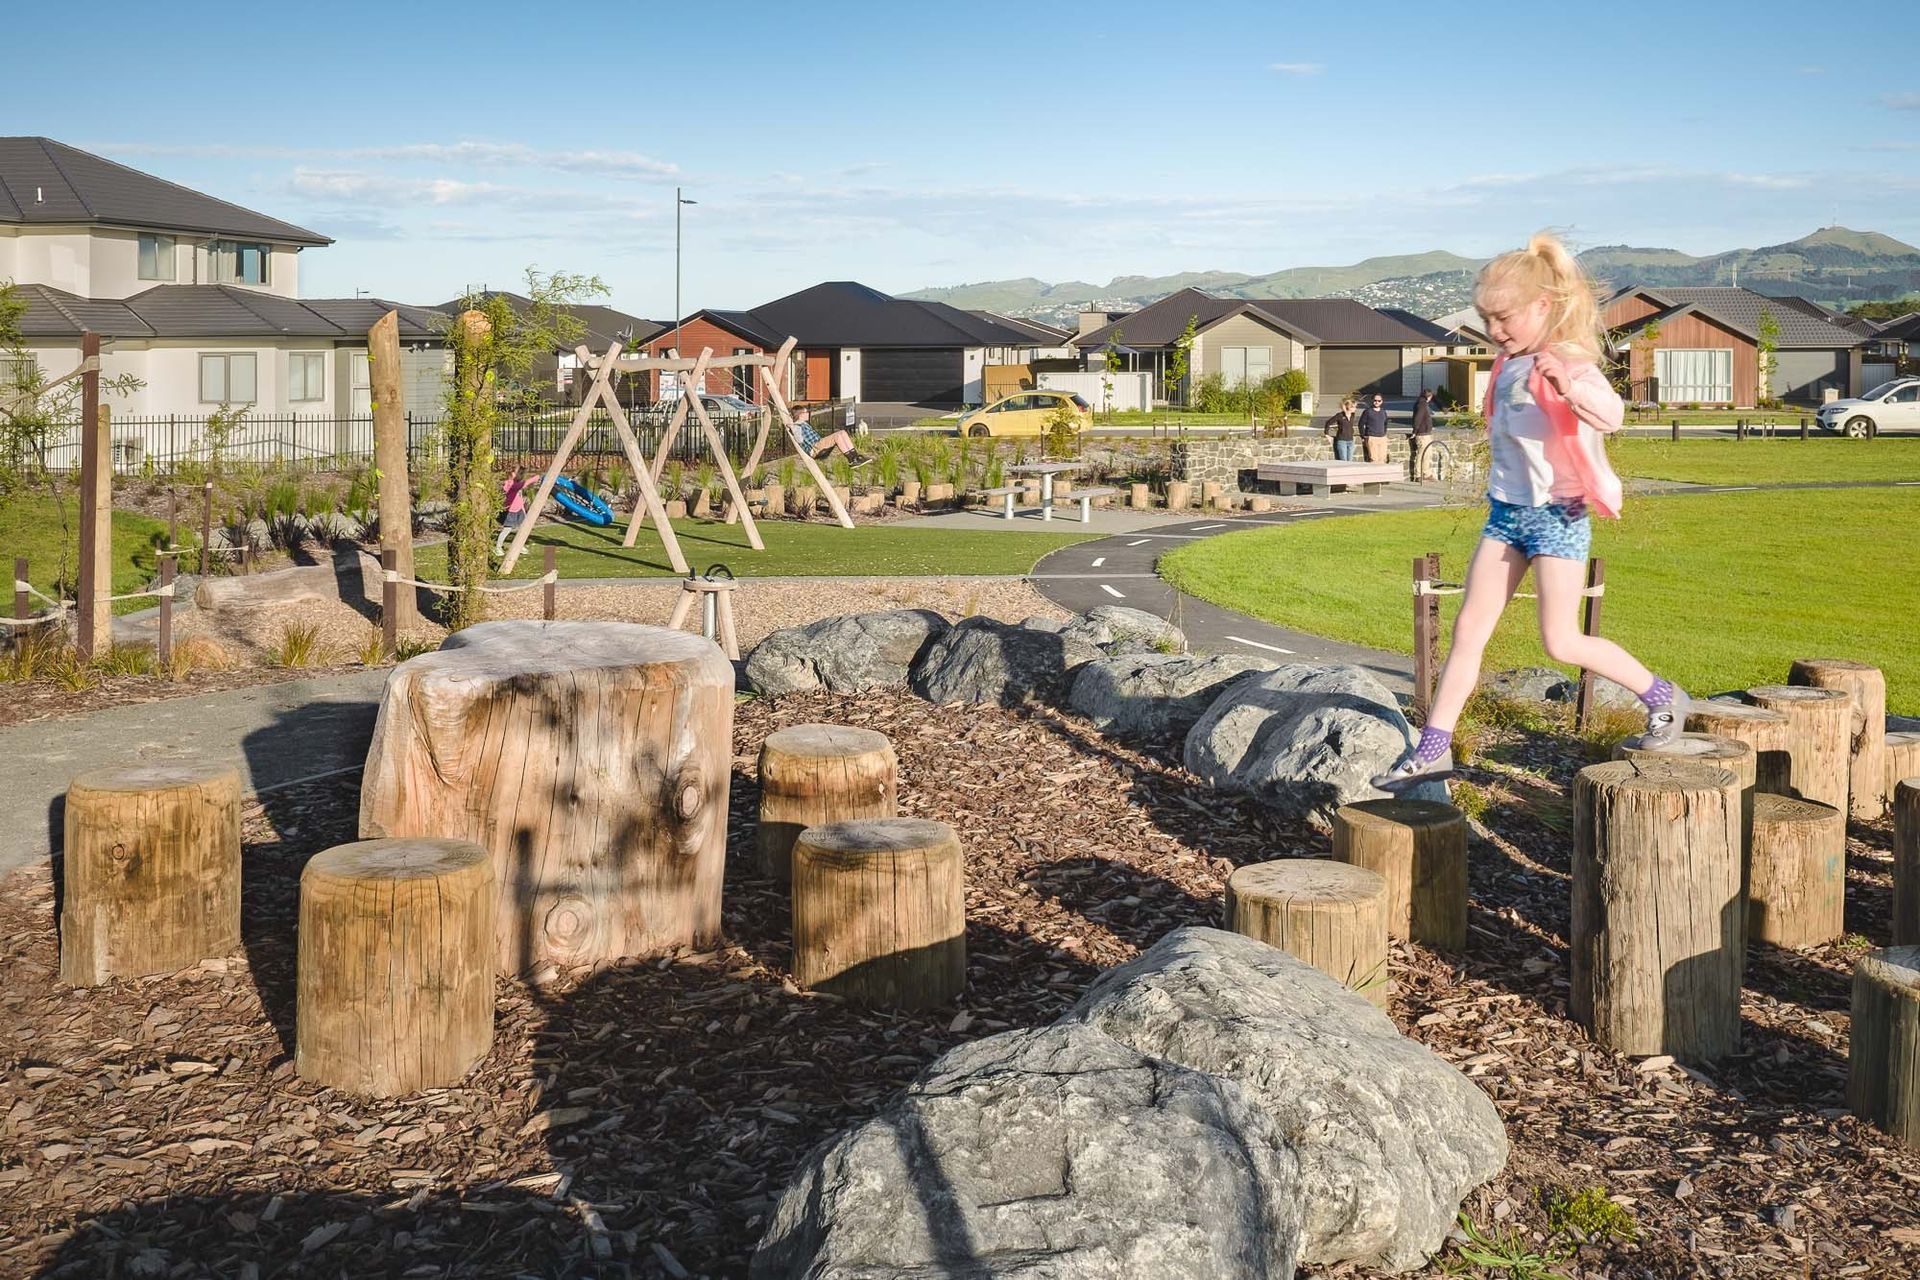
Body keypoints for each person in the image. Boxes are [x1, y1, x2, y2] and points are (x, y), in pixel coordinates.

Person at [1374, 232, 1689, 790]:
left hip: (1558, 515)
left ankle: (1663, 696)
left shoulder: (1566, 361)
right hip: (1506, 515)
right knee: (1468, 630)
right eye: (1486, 319)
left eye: (1505, 317)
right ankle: (1433, 747)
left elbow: (1612, 416)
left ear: (1544, 305)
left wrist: (1569, 388)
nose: (1495, 330)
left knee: (1561, 641)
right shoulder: (1506, 364)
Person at [792, 407, 873, 467]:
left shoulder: (804, 423)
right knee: (837, 436)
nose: (808, 414)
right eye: (806, 412)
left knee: (842, 432)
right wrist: (793, 428)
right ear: (801, 414)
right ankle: (851, 459)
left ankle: (856, 457)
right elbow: (799, 440)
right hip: (814, 448)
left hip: (819, 445)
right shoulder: (796, 426)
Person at [495, 465, 540, 555]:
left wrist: (523, 510)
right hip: (511, 511)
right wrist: (535, 478)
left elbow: (519, 497)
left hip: (519, 510)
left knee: (523, 528)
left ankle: (519, 545)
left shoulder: (517, 484)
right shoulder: (511, 484)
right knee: (507, 529)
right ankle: (498, 547)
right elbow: (523, 484)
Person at [1409, 388, 1436, 481]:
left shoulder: (1422, 403)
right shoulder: (1422, 404)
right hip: (1422, 434)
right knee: (1422, 454)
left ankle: (1426, 473)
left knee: (1427, 454)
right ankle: (1419, 475)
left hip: (1425, 433)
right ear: (1429, 396)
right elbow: (1418, 418)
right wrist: (1415, 431)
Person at [1324, 397, 1358, 461]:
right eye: (1353, 407)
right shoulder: (1340, 415)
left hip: (1350, 440)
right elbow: (1328, 422)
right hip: (1342, 441)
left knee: (1350, 460)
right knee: (1343, 460)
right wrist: (1327, 434)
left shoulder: (1353, 415)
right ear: (1348, 407)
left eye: (1355, 407)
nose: (1355, 408)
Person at [1358, 394, 1390, 463]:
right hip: (1372, 437)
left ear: (1381, 401)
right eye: (1375, 400)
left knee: (1382, 459)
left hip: (1382, 438)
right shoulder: (1367, 411)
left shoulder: (1383, 411)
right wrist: (1363, 435)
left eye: (1379, 401)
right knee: (1374, 459)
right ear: (1372, 401)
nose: (1377, 402)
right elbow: (1361, 424)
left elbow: (1385, 423)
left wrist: (1384, 433)